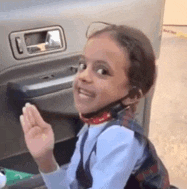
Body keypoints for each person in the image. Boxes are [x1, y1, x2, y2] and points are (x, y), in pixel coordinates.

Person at [20, 22, 171, 189]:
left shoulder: (118, 137)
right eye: (83, 65)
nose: (84, 75)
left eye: (102, 71)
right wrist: (46, 159)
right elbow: (72, 185)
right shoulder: (94, 125)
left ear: (133, 94)